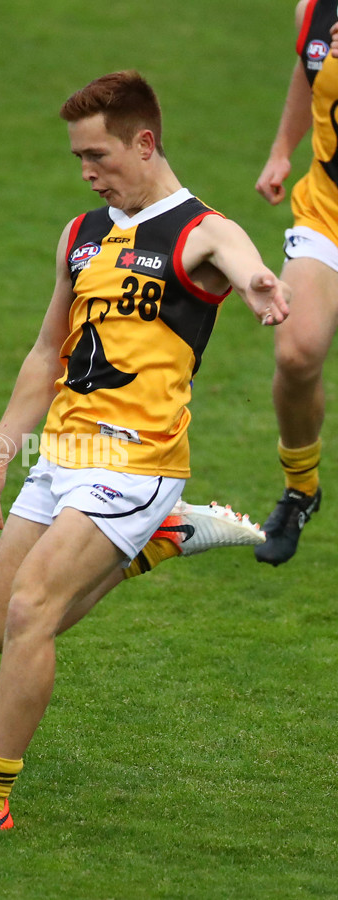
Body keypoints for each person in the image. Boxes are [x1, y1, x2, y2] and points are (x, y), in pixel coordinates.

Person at [0, 70, 290, 836]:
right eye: (79, 159)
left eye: (99, 156)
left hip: (137, 461)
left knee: (33, 611)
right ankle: (162, 542)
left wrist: (255, 281)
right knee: (0, 626)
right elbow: (46, 350)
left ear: (144, 142)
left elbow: (237, 250)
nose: (88, 172)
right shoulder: (81, 235)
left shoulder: (195, 232)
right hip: (63, 454)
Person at [254, 0, 338, 565]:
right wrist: (283, 149)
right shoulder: (313, 9)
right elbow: (307, 73)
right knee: (296, 350)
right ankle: (301, 488)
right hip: (327, 211)